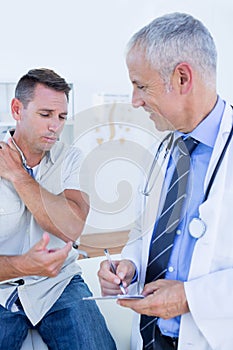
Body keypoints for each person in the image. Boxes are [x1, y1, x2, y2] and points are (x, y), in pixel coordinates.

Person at [98, 12, 233, 350]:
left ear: (182, 78)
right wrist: (129, 264)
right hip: (152, 337)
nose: (135, 101)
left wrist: (190, 297)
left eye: (141, 86)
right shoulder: (165, 149)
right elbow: (147, 233)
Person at [0, 68, 116, 350]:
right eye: (45, 114)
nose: (56, 125)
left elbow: (70, 227)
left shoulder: (72, 158)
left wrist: (18, 176)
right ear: (17, 109)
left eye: (62, 116)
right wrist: (21, 266)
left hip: (59, 285)